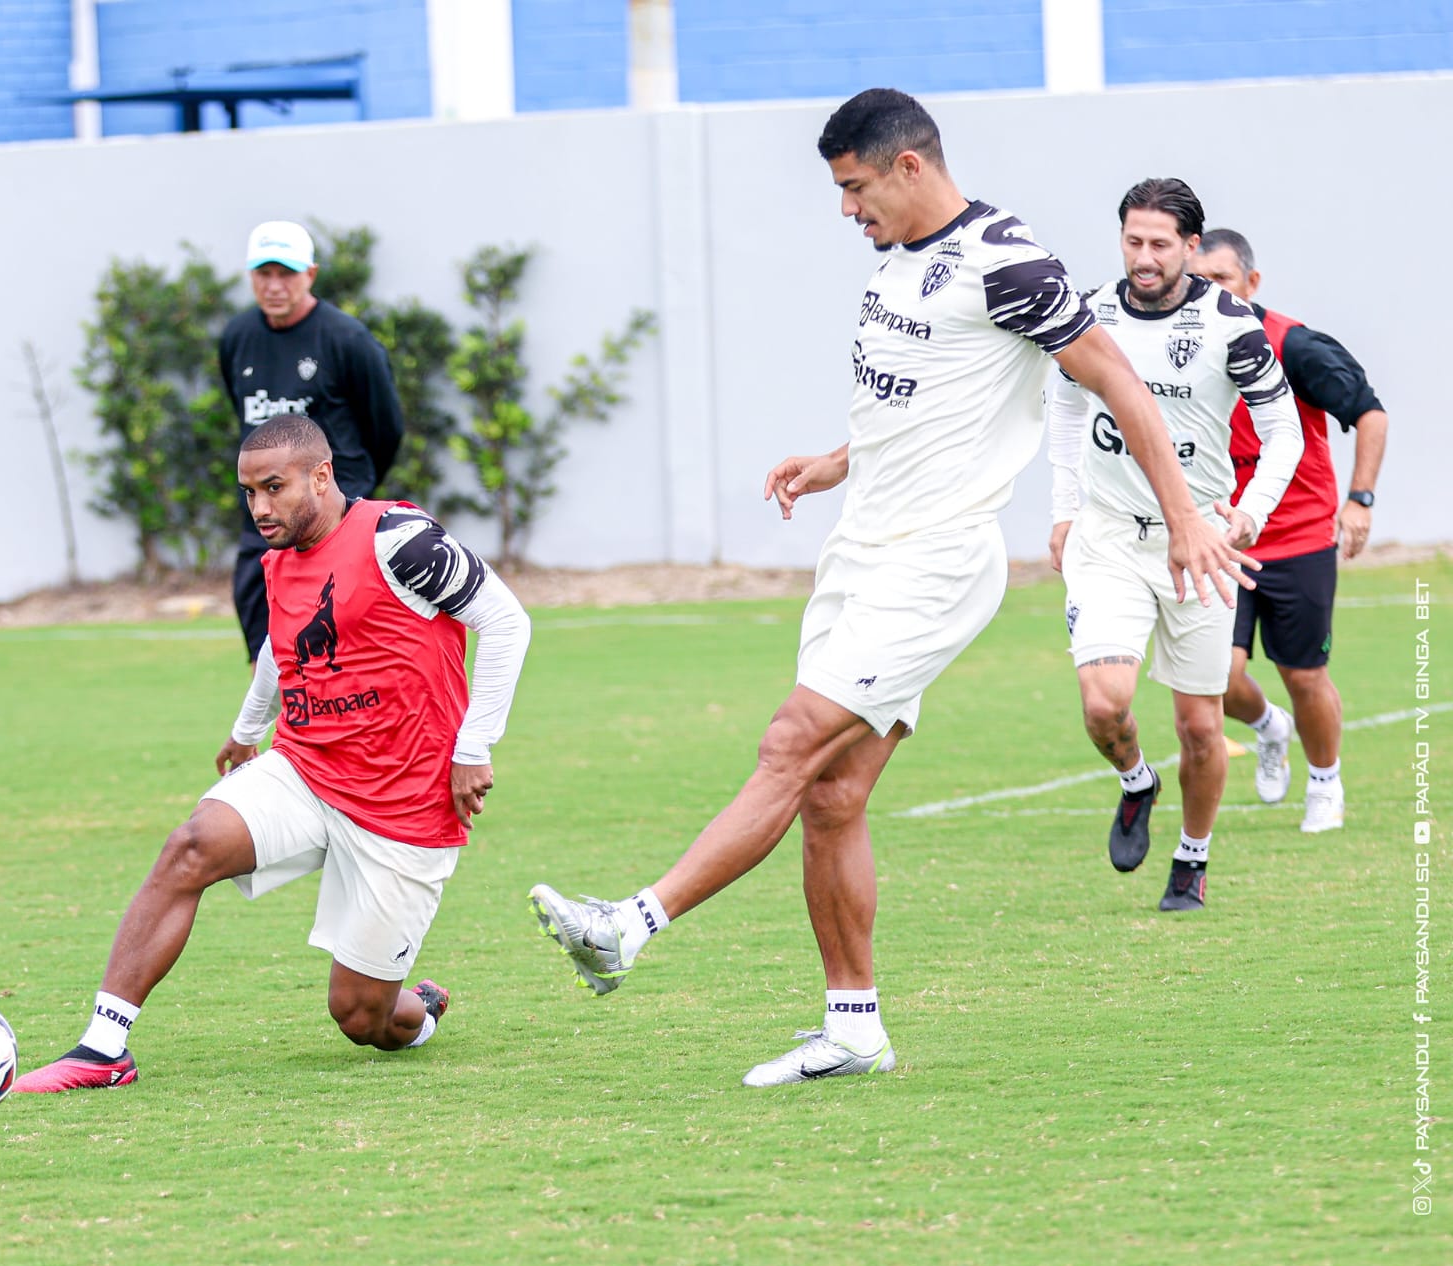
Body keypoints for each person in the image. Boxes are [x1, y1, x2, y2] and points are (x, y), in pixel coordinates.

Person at [528, 90, 1256, 1088]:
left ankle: (629, 925)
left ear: (908, 167)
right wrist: (836, 462)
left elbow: (1119, 383)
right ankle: (853, 1025)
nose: (845, 209)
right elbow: (921, 398)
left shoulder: (1008, 259)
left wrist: (1182, 519)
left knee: (789, 742)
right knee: (832, 793)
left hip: (935, 565)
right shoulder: (900, 260)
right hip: (858, 550)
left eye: (853, 186)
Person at [14, 414, 530, 1091]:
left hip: (404, 803)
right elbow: (276, 647)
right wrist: (246, 727)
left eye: (273, 487)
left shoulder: (399, 540)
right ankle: (104, 1050)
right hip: (307, 769)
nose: (259, 507)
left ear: (322, 476)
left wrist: (473, 745)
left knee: (360, 1015)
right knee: (190, 845)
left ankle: (419, 1011)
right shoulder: (280, 556)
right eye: (248, 492)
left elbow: (505, 619)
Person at [1046, 180, 1303, 912]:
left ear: (1193, 246)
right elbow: (1063, 404)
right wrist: (1065, 509)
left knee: (1199, 724)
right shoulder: (1088, 313)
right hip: (1109, 537)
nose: (1145, 257)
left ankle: (1192, 857)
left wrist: (1249, 512)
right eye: (1133, 241)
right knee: (1105, 703)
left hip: (1199, 546)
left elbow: (1281, 428)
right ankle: (1134, 779)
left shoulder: (1232, 324)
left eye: (1161, 244)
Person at [1191, 228, 1388, 833]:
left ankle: (1325, 781)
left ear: (1251, 283)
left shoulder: (1294, 346)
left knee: (1304, 676)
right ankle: (1268, 728)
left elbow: (1370, 414)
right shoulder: (1181, 349)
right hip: (1221, 540)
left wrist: (1358, 502)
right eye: (1199, 281)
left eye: (1221, 279)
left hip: (1298, 538)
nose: (1209, 291)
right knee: (1213, 676)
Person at [221, 220, 407, 663]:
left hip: (335, 525)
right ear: (250, 277)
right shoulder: (236, 338)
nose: (274, 285)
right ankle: (276, 736)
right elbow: (246, 421)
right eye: (263, 274)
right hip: (264, 526)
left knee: (341, 658)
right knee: (266, 658)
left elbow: (386, 429)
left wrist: (348, 492)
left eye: (286, 273)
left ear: (311, 274)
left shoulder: (348, 340)